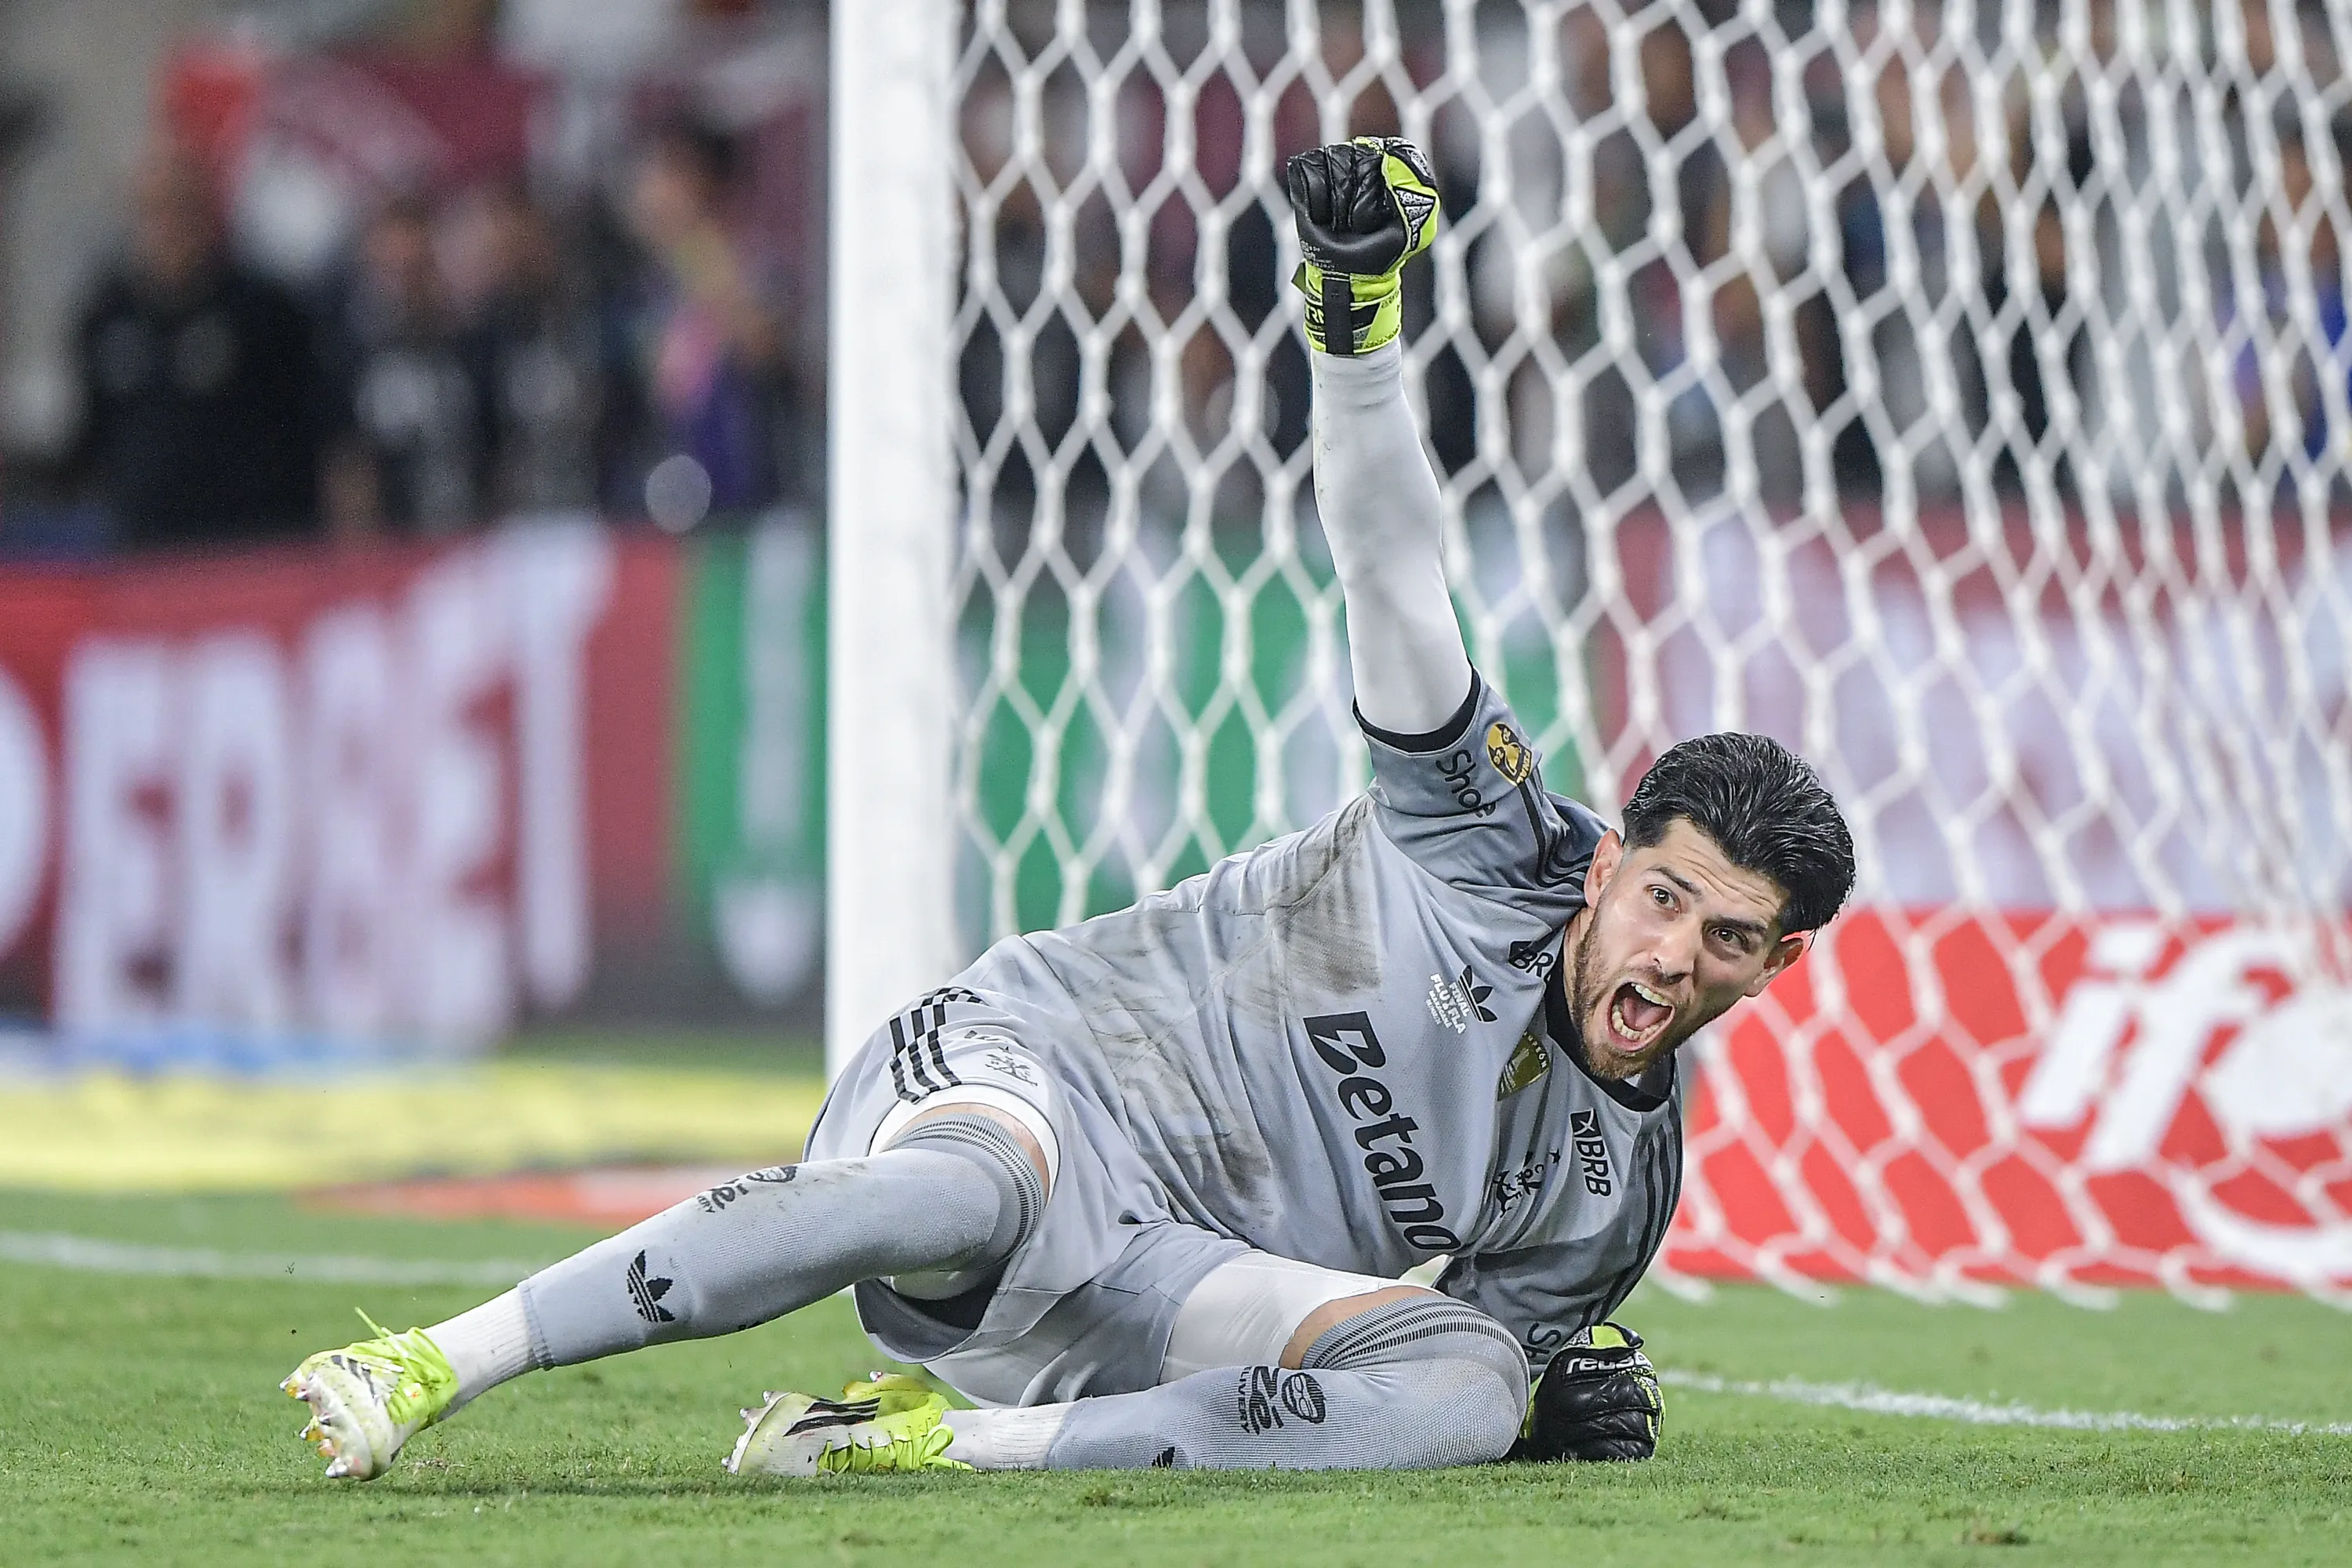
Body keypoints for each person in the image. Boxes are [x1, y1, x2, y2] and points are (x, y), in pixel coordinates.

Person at [284, 139, 1855, 1480]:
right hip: (1043, 1079)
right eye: (1664, 898)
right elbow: (1393, 571)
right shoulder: (1486, 833)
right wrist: (1358, 335)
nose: (1676, 958)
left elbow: (1431, 1374)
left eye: (1728, 942)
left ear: (1772, 969)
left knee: (1469, 1385)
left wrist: (1532, 1403)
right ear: (1611, 864)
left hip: (1152, 1291)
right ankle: (433, 1362)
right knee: (960, 1188)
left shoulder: (1614, 1191)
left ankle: (916, 1448)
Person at [67, 140, 328, 550]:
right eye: (152, 212)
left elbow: (308, 427)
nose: (166, 227)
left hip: (244, 548)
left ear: (207, 215)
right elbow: (91, 433)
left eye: (179, 210)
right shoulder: (107, 314)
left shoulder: (261, 311)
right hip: (140, 549)